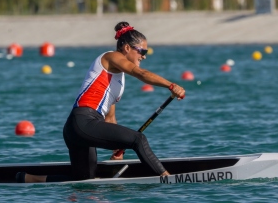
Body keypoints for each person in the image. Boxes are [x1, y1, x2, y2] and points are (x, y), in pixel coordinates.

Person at [17, 21, 185, 183]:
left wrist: (117, 150)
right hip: (83, 121)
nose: (144, 56)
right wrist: (171, 85)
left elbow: (110, 118)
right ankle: (168, 179)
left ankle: (30, 179)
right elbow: (141, 73)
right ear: (127, 48)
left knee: (84, 182)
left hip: (78, 128)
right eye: (142, 51)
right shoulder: (111, 57)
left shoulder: (117, 80)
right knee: (138, 140)